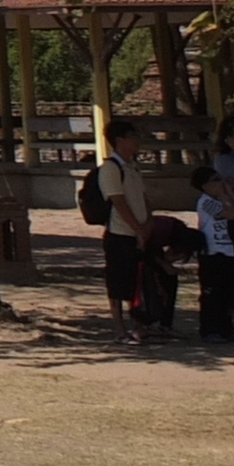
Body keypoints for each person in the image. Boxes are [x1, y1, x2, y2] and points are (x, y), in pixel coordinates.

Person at [95, 134, 154, 346]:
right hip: (120, 234)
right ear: (120, 140)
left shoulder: (133, 167)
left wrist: (148, 224)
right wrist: (137, 228)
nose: (137, 141)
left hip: (141, 233)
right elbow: (118, 202)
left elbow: (145, 199)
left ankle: (140, 326)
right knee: (118, 283)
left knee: (139, 282)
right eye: (132, 137)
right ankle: (120, 329)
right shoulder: (111, 168)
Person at [195, 164, 234, 344]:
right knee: (211, 292)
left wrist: (230, 195)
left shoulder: (221, 200)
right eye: (215, 181)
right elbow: (229, 214)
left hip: (227, 250)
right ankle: (209, 329)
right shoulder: (205, 201)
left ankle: (225, 329)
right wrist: (224, 195)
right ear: (205, 185)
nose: (220, 183)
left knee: (226, 291)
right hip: (212, 251)